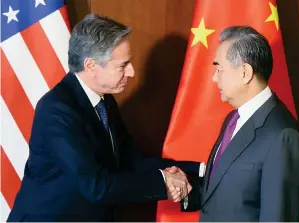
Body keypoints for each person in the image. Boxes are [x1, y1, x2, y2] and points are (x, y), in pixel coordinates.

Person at [7, 13, 204, 222]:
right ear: (91, 66)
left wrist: (199, 169)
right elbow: (96, 187)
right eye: (122, 65)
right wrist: (165, 182)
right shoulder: (57, 110)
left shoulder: (105, 101)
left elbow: (131, 161)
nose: (132, 72)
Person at [178, 26, 299, 221]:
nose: (214, 78)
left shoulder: (283, 135)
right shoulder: (233, 119)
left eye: (219, 69)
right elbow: (226, 192)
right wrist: (186, 188)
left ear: (245, 72)